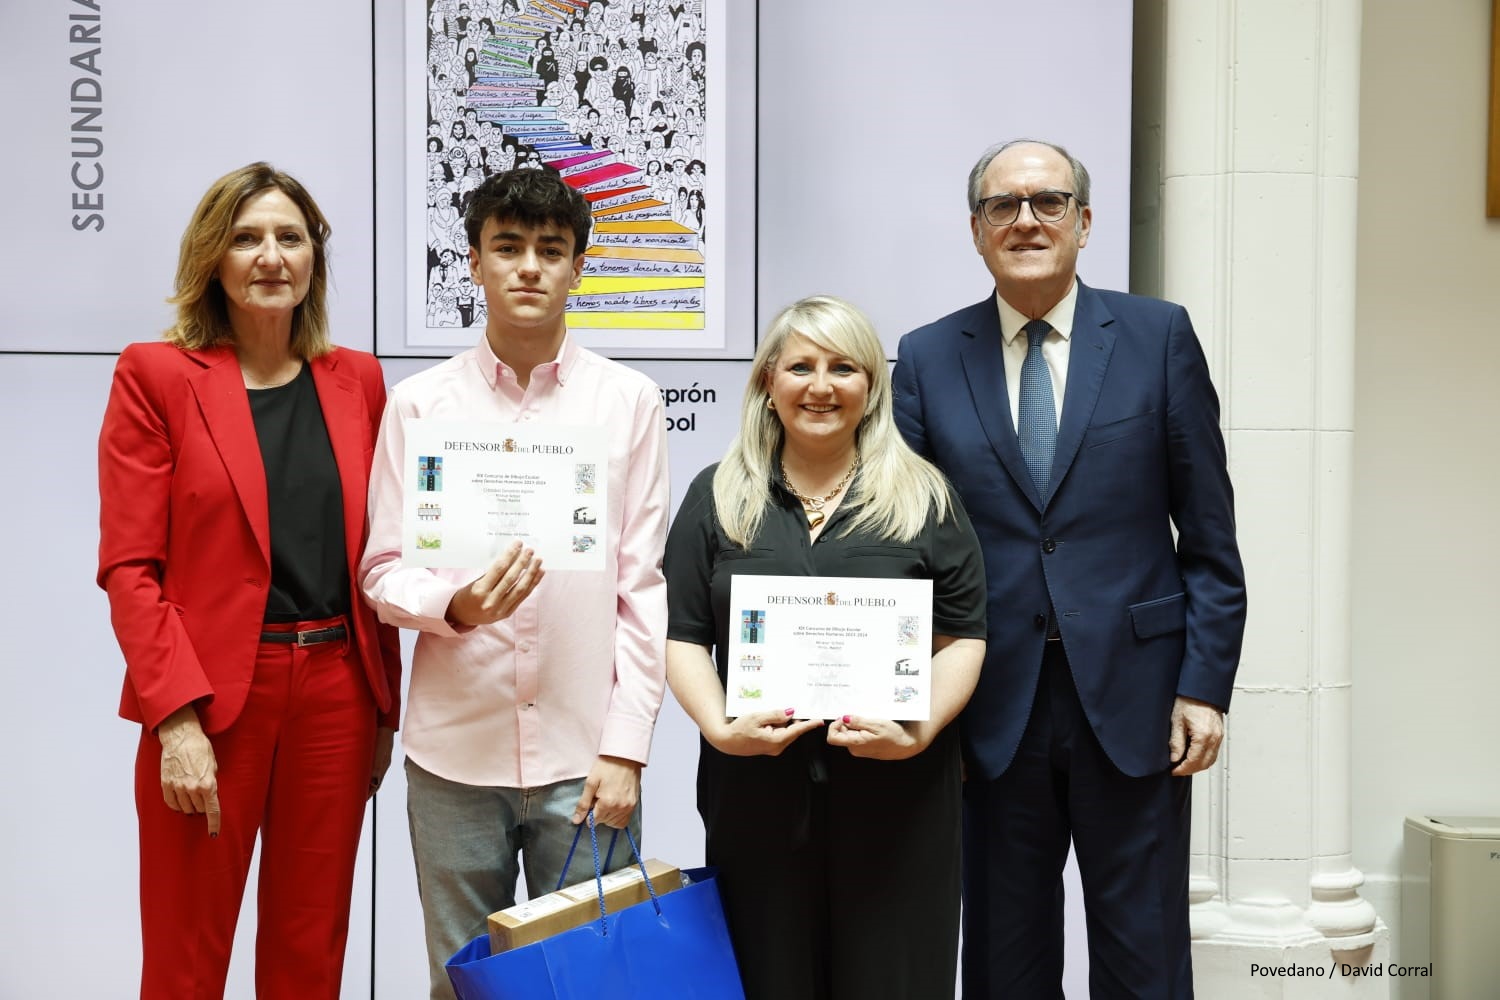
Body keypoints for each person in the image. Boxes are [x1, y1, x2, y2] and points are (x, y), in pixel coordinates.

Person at [892, 138, 1248, 997]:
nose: (1026, 220)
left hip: (1138, 703)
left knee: (1145, 955)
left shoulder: (1158, 337)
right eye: (1002, 207)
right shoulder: (930, 356)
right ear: (975, 230)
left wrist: (1203, 685)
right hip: (989, 712)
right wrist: (913, 696)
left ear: (1084, 223)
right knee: (1005, 963)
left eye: (1048, 202)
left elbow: (1209, 535)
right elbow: (907, 554)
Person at [359, 166, 670, 1000]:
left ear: (577, 268)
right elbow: (382, 571)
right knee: (466, 986)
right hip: (454, 753)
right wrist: (451, 606)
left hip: (585, 755)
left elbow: (641, 586)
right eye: (508, 248)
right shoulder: (420, 404)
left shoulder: (628, 402)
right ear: (474, 264)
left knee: (596, 984)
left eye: (550, 249)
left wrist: (626, 746)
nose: (529, 266)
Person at [97, 162, 402, 999]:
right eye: (246, 237)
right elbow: (131, 567)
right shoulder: (156, 374)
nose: (271, 256)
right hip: (212, 699)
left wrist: (385, 704)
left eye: (289, 238)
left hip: (337, 694)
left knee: (312, 953)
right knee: (187, 959)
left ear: (314, 259)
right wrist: (175, 721)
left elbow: (377, 552)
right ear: (214, 260)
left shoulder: (359, 381)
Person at [665, 295, 988, 1000]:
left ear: (871, 387)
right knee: (767, 978)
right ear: (767, 384)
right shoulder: (716, 497)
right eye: (801, 366)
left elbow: (964, 635)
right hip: (757, 797)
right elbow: (685, 637)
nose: (821, 386)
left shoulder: (925, 497)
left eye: (844, 368)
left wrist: (919, 727)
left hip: (899, 801)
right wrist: (721, 728)